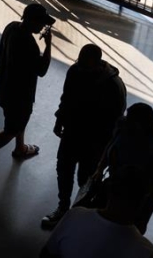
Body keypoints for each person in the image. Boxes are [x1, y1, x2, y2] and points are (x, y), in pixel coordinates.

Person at [42, 44, 127, 228]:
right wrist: (60, 119)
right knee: (66, 170)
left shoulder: (112, 86)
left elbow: (115, 120)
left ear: (96, 63)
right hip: (76, 133)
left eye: (84, 65)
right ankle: (68, 209)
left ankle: (75, 211)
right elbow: (67, 97)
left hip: (93, 140)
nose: (80, 67)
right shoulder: (78, 71)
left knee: (84, 178)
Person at [0, 3, 55, 177]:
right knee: (12, 129)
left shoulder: (12, 27)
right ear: (31, 21)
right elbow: (42, 70)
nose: (43, 26)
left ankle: (20, 148)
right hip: (19, 95)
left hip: (6, 87)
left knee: (19, 121)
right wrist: (48, 45)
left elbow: (1, 51)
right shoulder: (29, 45)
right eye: (41, 22)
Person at [40, 166, 153, 258]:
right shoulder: (147, 252)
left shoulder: (74, 216)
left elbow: (46, 254)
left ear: (108, 189)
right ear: (143, 201)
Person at [97, 103, 153, 234]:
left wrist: (143, 221)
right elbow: (111, 146)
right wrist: (99, 170)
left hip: (129, 204)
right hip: (117, 196)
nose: (126, 121)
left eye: (130, 119)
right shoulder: (125, 130)